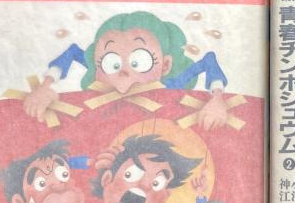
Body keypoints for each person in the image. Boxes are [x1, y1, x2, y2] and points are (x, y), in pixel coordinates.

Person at [23, 11, 229, 129]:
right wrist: (45, 86)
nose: (123, 72)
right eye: (111, 63)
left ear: (165, 65)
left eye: (139, 61)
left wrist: (217, 99)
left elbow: (207, 61)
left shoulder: (171, 85)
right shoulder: (98, 78)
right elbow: (73, 52)